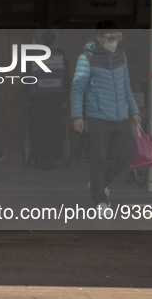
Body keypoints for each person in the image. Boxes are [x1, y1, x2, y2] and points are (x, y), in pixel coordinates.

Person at [70, 21, 141, 209]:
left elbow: (126, 85)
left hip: (121, 117)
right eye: (109, 38)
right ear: (99, 38)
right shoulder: (87, 57)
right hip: (98, 116)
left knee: (126, 156)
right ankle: (100, 199)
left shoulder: (120, 56)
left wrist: (133, 110)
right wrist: (77, 115)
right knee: (98, 158)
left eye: (117, 37)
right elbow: (78, 87)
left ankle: (99, 184)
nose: (114, 42)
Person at [25, 30, 69, 170]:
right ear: (53, 41)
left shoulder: (33, 59)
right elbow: (67, 81)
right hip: (56, 100)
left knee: (37, 130)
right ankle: (49, 160)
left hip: (37, 100)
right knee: (53, 130)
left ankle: (38, 160)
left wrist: (29, 99)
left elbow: (26, 80)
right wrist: (64, 99)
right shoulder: (61, 58)